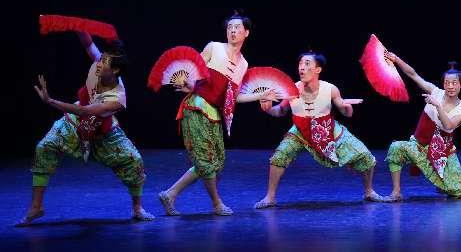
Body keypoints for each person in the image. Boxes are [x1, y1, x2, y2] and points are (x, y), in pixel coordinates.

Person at [19, 34, 152, 226]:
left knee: (134, 160)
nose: (98, 63)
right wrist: (78, 27)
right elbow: (88, 44)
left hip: (102, 134)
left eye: (103, 62)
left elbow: (84, 111)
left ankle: (137, 208)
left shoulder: (118, 98)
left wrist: (50, 101)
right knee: (44, 147)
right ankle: (36, 207)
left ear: (115, 70)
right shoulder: (102, 66)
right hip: (74, 124)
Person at [159, 12, 274, 216]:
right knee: (205, 160)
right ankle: (216, 203)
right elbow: (193, 69)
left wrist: (261, 95)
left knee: (216, 161)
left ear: (246, 32)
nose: (233, 30)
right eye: (230, 27)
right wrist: (187, 82)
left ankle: (170, 194)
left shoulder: (243, 64)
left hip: (214, 113)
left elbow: (233, 97)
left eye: (237, 27)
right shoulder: (214, 47)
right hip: (197, 107)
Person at [254, 52, 384, 208]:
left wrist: (347, 108)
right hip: (300, 130)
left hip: (326, 128)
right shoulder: (291, 89)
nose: (302, 68)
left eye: (307, 63)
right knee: (279, 156)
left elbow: (345, 112)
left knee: (365, 156)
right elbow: (281, 111)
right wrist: (268, 109)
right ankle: (270, 197)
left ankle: (369, 192)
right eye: (300, 64)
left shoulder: (330, 89)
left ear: (318, 69)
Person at [381, 53, 461, 201]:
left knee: (460, 192)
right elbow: (413, 75)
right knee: (396, 148)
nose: (450, 86)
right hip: (419, 145)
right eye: (447, 83)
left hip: (442, 151)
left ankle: (443, 183)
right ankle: (396, 192)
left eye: (454, 83)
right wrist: (397, 60)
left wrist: (438, 105)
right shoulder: (436, 92)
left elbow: (448, 125)